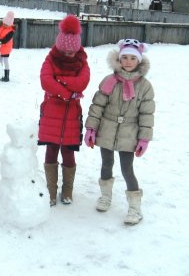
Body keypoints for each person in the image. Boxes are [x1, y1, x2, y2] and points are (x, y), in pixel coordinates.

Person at [84, 38, 155, 225]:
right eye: (125, 58)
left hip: (129, 133)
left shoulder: (145, 86)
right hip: (107, 129)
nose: (129, 62)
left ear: (139, 60)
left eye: (133, 58)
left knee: (127, 168)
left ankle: (134, 207)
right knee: (106, 163)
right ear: (118, 59)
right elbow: (97, 106)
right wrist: (91, 128)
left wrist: (144, 139)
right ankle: (105, 197)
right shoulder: (109, 81)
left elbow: (147, 114)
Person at [37, 14, 90, 206]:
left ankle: (67, 190)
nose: (69, 54)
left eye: (72, 51)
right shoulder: (50, 59)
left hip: (71, 117)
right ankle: (51, 191)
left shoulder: (82, 60)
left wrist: (61, 81)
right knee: (51, 151)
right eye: (65, 51)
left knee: (68, 153)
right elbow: (45, 81)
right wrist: (67, 94)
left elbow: (82, 82)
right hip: (52, 114)